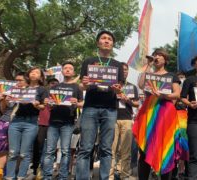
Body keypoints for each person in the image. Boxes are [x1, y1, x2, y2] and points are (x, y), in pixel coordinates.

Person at [77, 30, 124, 180]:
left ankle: (105, 177)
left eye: (109, 39)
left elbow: (120, 87)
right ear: (98, 43)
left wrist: (118, 89)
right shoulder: (88, 61)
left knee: (106, 148)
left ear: (112, 44)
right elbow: (82, 86)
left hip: (110, 109)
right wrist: (83, 85)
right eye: (103, 38)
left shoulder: (117, 65)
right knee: (86, 147)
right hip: (90, 107)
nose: (106, 41)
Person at [133, 48, 181, 180]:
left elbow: (177, 94)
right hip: (149, 111)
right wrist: (148, 65)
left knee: (166, 145)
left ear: (165, 60)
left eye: (160, 55)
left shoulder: (171, 76)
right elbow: (141, 85)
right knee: (145, 147)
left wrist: (163, 95)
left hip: (165, 111)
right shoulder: (149, 73)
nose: (157, 57)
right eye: (155, 55)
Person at [42, 62, 83, 180]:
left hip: (68, 122)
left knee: (65, 151)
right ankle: (47, 176)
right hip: (53, 121)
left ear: (73, 72)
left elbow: (82, 103)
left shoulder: (77, 87)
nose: (68, 70)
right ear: (62, 71)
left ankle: (63, 176)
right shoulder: (54, 87)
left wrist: (77, 103)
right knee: (50, 151)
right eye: (66, 68)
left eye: (70, 68)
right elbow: (48, 104)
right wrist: (46, 102)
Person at [5, 67, 47, 179]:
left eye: (37, 72)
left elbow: (44, 107)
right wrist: (7, 98)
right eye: (31, 72)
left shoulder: (42, 90)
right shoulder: (21, 88)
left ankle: (21, 177)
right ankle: (9, 177)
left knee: (25, 153)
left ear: (41, 77)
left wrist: (37, 104)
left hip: (31, 122)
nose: (33, 74)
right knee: (13, 152)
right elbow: (10, 103)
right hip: (16, 121)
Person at [109, 62, 139, 180]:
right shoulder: (110, 85)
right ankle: (109, 176)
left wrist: (129, 101)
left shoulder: (132, 86)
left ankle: (124, 175)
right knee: (110, 149)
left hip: (127, 119)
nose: (124, 72)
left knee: (126, 150)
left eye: (126, 70)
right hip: (112, 118)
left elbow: (137, 103)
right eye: (122, 70)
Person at [0, 72, 27, 169]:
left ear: (26, 81)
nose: (17, 82)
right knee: (2, 150)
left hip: (21, 124)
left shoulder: (30, 93)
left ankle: (12, 175)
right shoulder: (9, 91)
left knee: (17, 151)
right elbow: (3, 110)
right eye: (16, 80)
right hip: (5, 122)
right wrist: (2, 100)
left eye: (20, 80)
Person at [32, 77, 59, 177]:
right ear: (48, 84)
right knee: (38, 146)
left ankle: (45, 170)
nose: (54, 85)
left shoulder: (61, 96)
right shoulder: (43, 94)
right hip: (41, 123)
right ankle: (35, 168)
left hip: (54, 124)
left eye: (56, 84)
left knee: (50, 149)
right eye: (52, 83)